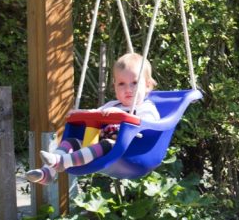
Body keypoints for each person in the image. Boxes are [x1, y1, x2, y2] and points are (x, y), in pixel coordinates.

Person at [25, 53, 161, 184]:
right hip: (99, 147)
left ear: (148, 85)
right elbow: (95, 113)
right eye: (121, 84)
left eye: (134, 83)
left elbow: (149, 126)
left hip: (127, 150)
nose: (128, 89)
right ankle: (47, 172)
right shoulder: (112, 105)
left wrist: (120, 116)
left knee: (106, 144)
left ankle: (62, 161)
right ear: (114, 86)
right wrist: (82, 113)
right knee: (72, 142)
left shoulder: (146, 108)